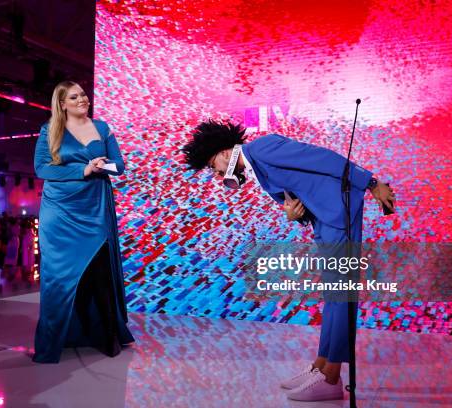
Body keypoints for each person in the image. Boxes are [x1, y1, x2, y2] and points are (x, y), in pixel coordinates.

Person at [182, 120, 395, 401]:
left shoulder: (263, 147)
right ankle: (321, 366)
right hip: (325, 218)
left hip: (338, 212)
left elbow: (324, 159)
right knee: (333, 293)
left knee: (341, 292)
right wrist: (294, 214)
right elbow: (302, 189)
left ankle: (331, 376)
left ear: (224, 154)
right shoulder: (257, 166)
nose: (217, 173)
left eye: (213, 166)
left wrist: (371, 182)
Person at [32, 80, 134, 363]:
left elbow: (120, 166)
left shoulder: (102, 128)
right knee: (59, 277)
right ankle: (56, 339)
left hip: (93, 207)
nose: (82, 99)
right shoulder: (49, 129)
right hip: (59, 211)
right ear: (62, 103)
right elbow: (42, 168)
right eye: (74, 97)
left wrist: (102, 167)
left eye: (84, 95)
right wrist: (84, 168)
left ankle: (107, 335)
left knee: (100, 272)